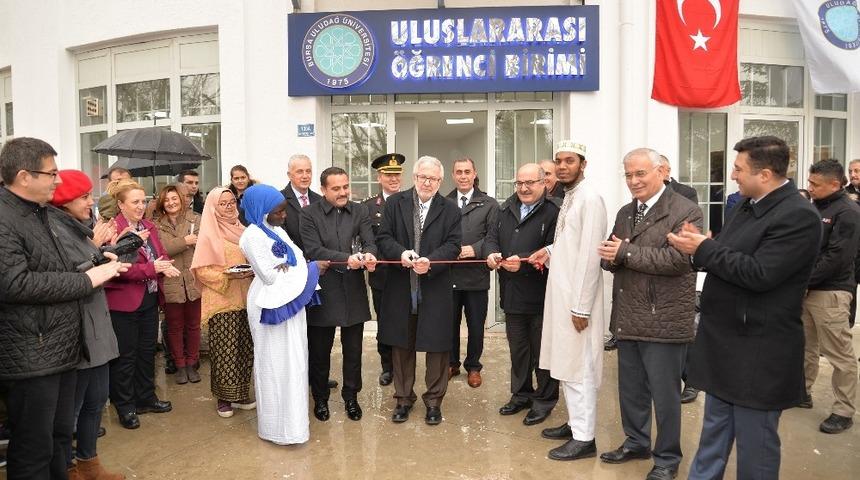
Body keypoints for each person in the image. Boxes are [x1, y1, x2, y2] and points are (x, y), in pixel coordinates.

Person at [668, 136, 821, 479]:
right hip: (727, 343)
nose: (733, 175)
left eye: (738, 169)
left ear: (764, 174)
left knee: (756, 450)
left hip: (759, 351)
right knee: (713, 437)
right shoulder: (746, 206)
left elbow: (760, 274)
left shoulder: (798, 216)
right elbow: (726, 257)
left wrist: (704, 249)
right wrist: (698, 247)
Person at [0, 137, 127, 479]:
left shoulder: (41, 213)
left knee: (58, 439)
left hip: (61, 347)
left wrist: (96, 264)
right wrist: (88, 280)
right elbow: (15, 284)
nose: (58, 181)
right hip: (31, 354)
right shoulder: (5, 218)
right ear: (25, 176)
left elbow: (55, 269)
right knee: (33, 449)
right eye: (51, 173)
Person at [597, 148, 702, 480]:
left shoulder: (686, 211)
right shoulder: (627, 212)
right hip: (629, 316)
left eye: (640, 173)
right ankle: (636, 442)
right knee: (631, 389)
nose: (634, 181)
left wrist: (624, 252)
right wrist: (609, 257)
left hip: (663, 319)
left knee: (665, 395)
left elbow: (678, 261)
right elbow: (613, 254)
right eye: (628, 175)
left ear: (662, 172)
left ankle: (668, 457)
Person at [528, 140, 606, 462]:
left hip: (577, 302)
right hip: (562, 297)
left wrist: (581, 306)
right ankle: (576, 424)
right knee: (566, 365)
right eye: (558, 161)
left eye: (569, 161)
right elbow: (570, 244)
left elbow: (590, 256)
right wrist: (547, 252)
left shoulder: (590, 199)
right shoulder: (568, 198)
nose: (561, 166)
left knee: (579, 368)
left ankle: (585, 438)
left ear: (583, 164)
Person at [49, 169, 126, 480]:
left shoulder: (78, 227)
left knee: (96, 401)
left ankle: (89, 463)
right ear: (65, 201)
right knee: (73, 409)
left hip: (98, 327)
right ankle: (67, 467)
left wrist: (106, 257)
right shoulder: (55, 230)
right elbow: (67, 277)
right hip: (78, 332)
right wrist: (98, 257)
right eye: (84, 196)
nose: (91, 201)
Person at [376, 155, 462, 426]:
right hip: (401, 287)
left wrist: (431, 262)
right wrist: (401, 253)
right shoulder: (394, 203)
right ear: (414, 178)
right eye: (423, 177)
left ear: (440, 181)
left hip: (434, 287)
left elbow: (454, 245)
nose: (427, 182)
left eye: (433, 178)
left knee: (437, 347)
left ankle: (434, 402)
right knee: (402, 345)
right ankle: (403, 398)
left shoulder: (450, 209)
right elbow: (383, 238)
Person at [240, 184, 321, 445]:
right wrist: (312, 270)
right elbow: (271, 275)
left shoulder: (276, 231)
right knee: (274, 364)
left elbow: (295, 259)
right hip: (269, 303)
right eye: (279, 211)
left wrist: (306, 269)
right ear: (263, 210)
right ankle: (275, 428)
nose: (284, 215)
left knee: (294, 362)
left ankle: (295, 427)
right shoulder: (251, 237)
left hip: (291, 299)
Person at [485, 163, 561, 426]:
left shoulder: (555, 211)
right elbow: (490, 238)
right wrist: (491, 255)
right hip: (512, 294)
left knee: (543, 352)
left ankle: (544, 400)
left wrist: (526, 260)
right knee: (519, 349)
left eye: (530, 182)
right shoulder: (504, 209)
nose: (524, 188)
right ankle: (521, 395)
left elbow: (557, 247)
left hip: (542, 295)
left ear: (544, 183)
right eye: (520, 183)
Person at [300, 167, 378, 422]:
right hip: (322, 290)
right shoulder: (309, 214)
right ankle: (320, 399)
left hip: (353, 289)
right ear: (323, 190)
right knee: (320, 351)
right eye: (336, 188)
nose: (343, 192)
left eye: (345, 187)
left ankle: (351, 397)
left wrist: (368, 254)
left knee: (353, 351)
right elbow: (313, 249)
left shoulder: (360, 211)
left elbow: (369, 241)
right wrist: (347, 259)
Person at [105, 180, 181, 430]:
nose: (141, 206)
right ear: (120, 205)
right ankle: (126, 407)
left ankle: (146, 398)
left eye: (143, 201)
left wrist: (165, 265)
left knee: (147, 352)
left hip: (148, 298)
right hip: (123, 303)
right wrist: (152, 268)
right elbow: (117, 269)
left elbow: (159, 254)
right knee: (126, 357)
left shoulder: (148, 226)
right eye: (134, 202)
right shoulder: (113, 230)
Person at [800, 159, 860, 433]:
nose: (809, 187)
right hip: (808, 290)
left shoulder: (848, 211)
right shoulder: (816, 206)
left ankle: (843, 410)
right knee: (805, 346)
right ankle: (802, 391)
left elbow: (837, 256)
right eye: (810, 182)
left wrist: (803, 280)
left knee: (839, 354)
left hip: (831, 292)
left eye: (815, 184)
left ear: (835, 184)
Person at [190, 188, 256, 418]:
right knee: (225, 350)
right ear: (213, 208)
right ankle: (224, 398)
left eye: (231, 202)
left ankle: (240, 393)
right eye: (223, 204)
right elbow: (201, 270)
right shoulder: (209, 233)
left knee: (245, 348)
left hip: (246, 297)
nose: (229, 207)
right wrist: (228, 276)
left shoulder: (244, 230)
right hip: (221, 299)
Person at [447, 157, 498, 388]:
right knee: (449, 324)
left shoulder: (488, 204)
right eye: (459, 172)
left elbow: (493, 237)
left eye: (467, 171)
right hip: (448, 276)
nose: (463, 176)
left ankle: (474, 366)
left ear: (475, 173)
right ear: (453, 175)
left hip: (476, 275)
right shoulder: (443, 203)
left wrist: (475, 249)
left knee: (476, 325)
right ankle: (451, 363)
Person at [363, 153, 405, 387]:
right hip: (382, 276)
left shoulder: (412, 201)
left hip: (407, 274)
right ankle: (387, 367)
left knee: (406, 321)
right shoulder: (369, 207)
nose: (393, 179)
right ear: (379, 177)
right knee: (385, 322)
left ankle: (403, 366)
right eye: (388, 175)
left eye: (397, 174)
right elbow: (368, 240)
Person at [153, 184, 202, 385]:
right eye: (167, 200)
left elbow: (202, 243)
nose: (171, 203)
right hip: (171, 281)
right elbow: (160, 251)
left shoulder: (195, 219)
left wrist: (191, 241)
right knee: (174, 326)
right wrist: (185, 241)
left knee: (193, 325)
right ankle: (180, 365)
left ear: (181, 200)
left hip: (191, 280)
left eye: (175, 198)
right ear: (162, 203)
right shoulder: (155, 225)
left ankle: (192, 362)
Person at [279, 154, 321, 250]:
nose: (305, 176)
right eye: (300, 172)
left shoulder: (320, 200)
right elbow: (280, 235)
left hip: (319, 259)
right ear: (289, 175)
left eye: (308, 171)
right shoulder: (279, 200)